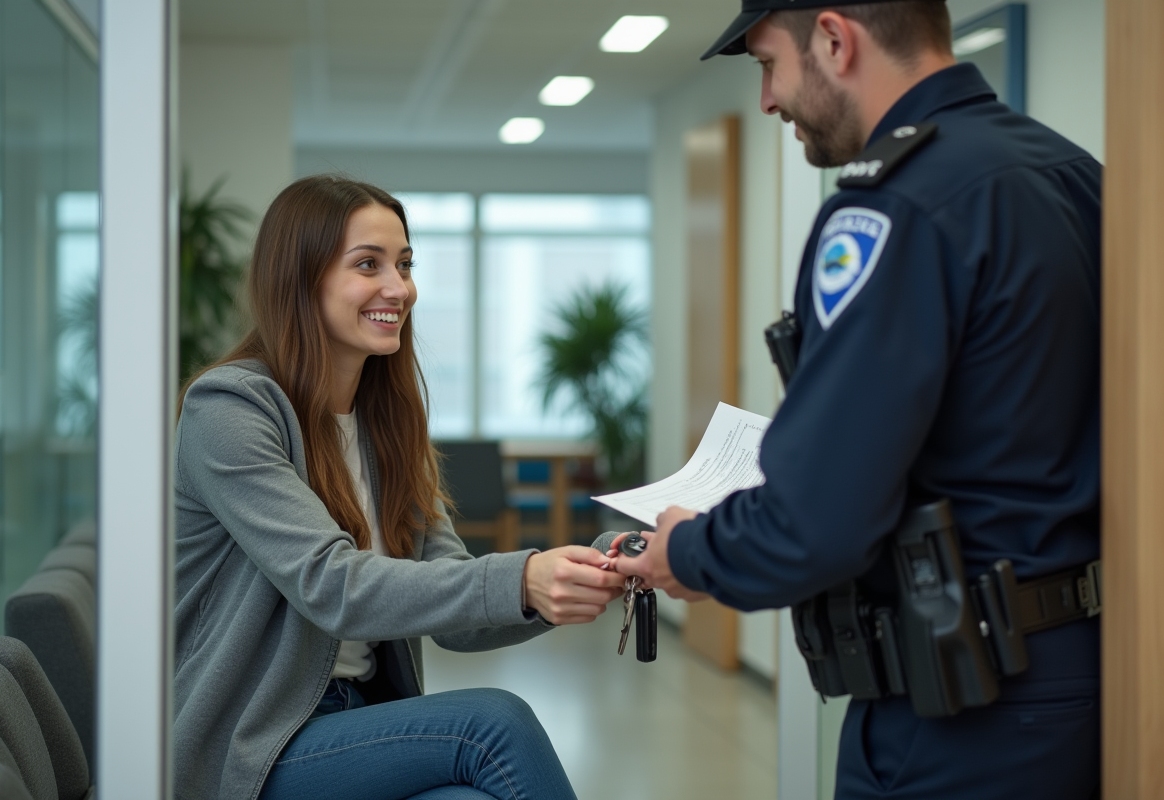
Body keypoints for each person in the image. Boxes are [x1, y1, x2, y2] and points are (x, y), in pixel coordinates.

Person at [612, 2, 1102, 798]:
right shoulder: (1078, 175)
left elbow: (817, 522)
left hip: (961, 706)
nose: (767, 100)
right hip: (1088, 676)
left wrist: (688, 552)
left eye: (769, 64)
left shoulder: (891, 208)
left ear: (835, 40)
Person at [172, 175, 626, 800]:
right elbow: (333, 587)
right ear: (300, 279)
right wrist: (524, 576)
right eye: (368, 265)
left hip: (356, 719)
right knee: (492, 724)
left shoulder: (386, 422)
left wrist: (586, 567)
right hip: (252, 742)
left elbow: (458, 620)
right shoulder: (227, 410)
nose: (399, 288)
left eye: (405, 264)